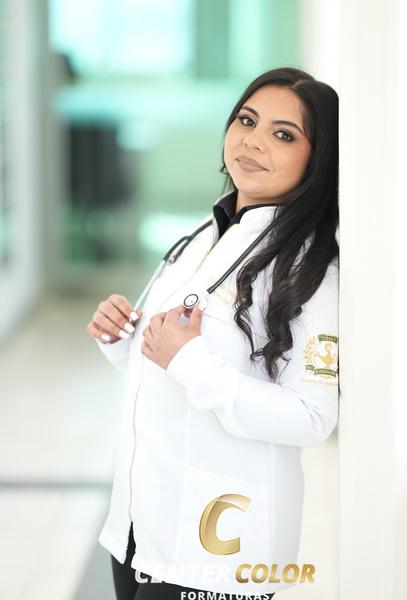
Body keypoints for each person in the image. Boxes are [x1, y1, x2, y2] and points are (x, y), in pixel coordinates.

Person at [86, 66, 339, 600]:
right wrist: (124, 339)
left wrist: (188, 361)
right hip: (137, 525)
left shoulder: (311, 268)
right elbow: (170, 362)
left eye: (283, 134)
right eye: (247, 120)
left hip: (220, 545)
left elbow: (313, 418)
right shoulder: (205, 233)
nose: (253, 141)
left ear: (317, 160)